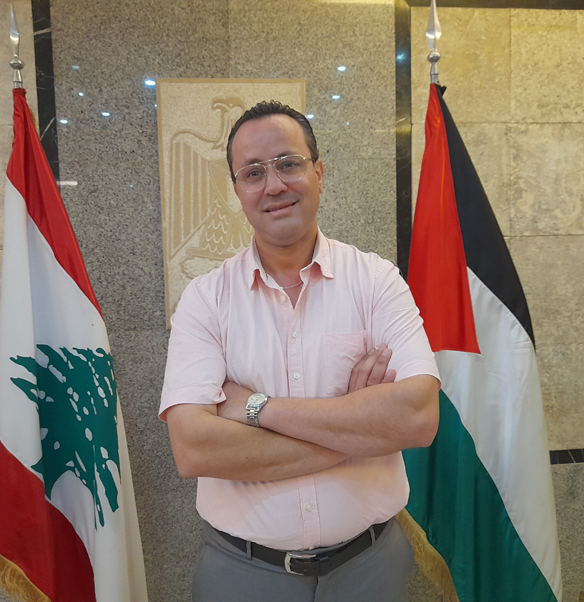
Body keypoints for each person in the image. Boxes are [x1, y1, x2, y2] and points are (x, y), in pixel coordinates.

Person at [159, 100, 440, 602]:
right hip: (241, 572)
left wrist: (255, 407)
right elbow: (194, 448)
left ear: (319, 173)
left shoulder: (376, 281)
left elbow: (417, 417)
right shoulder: (205, 299)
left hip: (371, 566)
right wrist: (361, 428)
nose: (273, 185)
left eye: (288, 164)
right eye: (253, 173)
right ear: (238, 191)